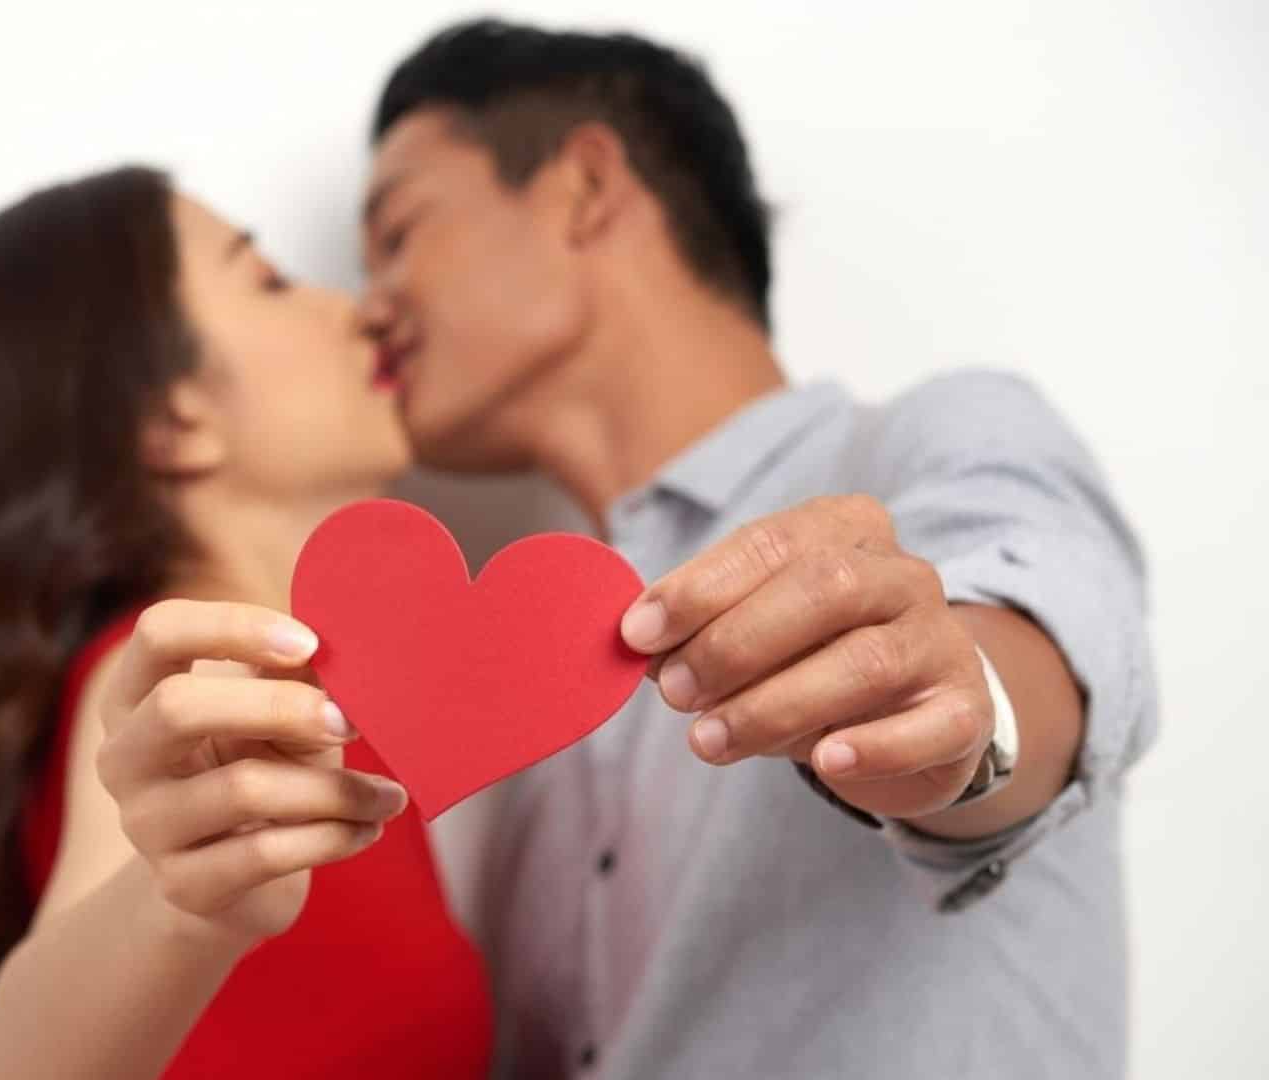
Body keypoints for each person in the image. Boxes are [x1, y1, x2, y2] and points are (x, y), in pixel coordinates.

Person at [354, 18, 1157, 1079]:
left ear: (586, 188)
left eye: (399, 231)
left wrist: (962, 713)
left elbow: (1052, 622)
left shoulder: (928, 445)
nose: (371, 306)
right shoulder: (525, 742)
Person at [0, 167, 490, 1080]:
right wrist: (180, 906)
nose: (358, 312)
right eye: (267, 280)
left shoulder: (312, 707)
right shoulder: (185, 690)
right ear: (173, 421)